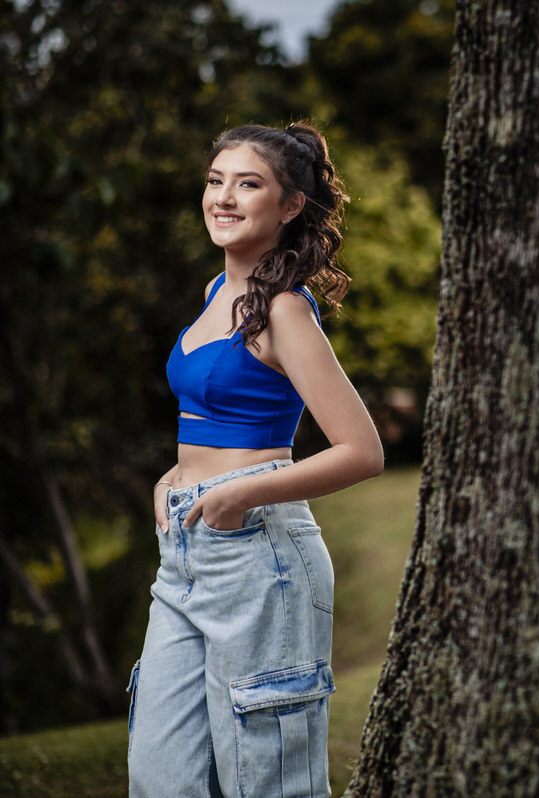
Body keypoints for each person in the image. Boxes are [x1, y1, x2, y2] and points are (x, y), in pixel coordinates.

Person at [126, 122, 384, 798]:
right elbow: (204, 424)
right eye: (216, 181)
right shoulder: (217, 297)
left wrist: (242, 493)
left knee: (265, 781)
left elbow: (362, 451)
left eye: (248, 183)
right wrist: (173, 478)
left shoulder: (284, 311)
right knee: (161, 777)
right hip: (184, 554)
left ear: (290, 205)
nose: (224, 197)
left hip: (259, 557)